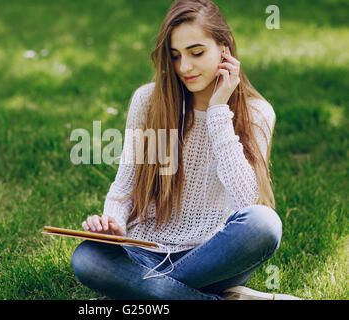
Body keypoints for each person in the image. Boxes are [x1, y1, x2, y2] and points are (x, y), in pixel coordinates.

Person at [71, 0, 300, 300]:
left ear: (225, 49)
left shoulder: (257, 113)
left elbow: (246, 201)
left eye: (197, 52)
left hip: (215, 256)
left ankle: (137, 293)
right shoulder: (148, 102)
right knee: (87, 258)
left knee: (264, 223)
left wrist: (218, 111)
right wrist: (112, 225)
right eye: (176, 56)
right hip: (146, 251)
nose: (184, 67)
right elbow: (123, 190)